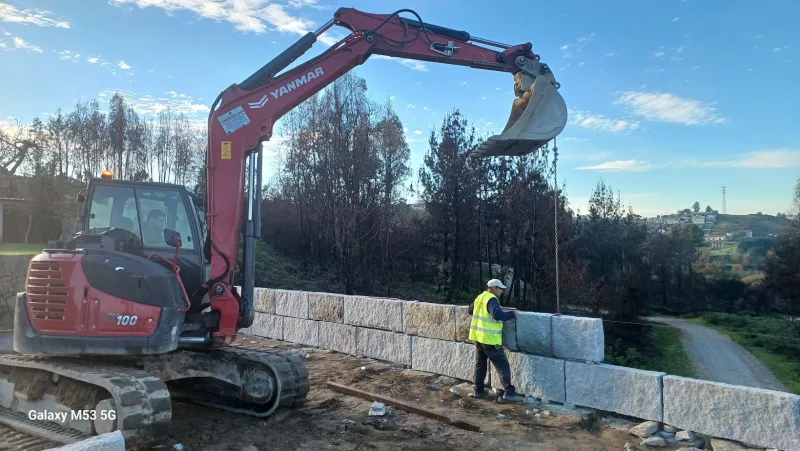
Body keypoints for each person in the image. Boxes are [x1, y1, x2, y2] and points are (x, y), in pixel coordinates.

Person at [468, 278, 524, 402]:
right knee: (502, 364)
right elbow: (497, 315)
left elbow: (470, 310)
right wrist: (512, 314)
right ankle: (509, 392)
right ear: (493, 288)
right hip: (490, 340)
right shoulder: (492, 299)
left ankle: (478, 391)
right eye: (500, 289)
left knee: (480, 365)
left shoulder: (480, 297)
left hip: (478, 338)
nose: (502, 291)